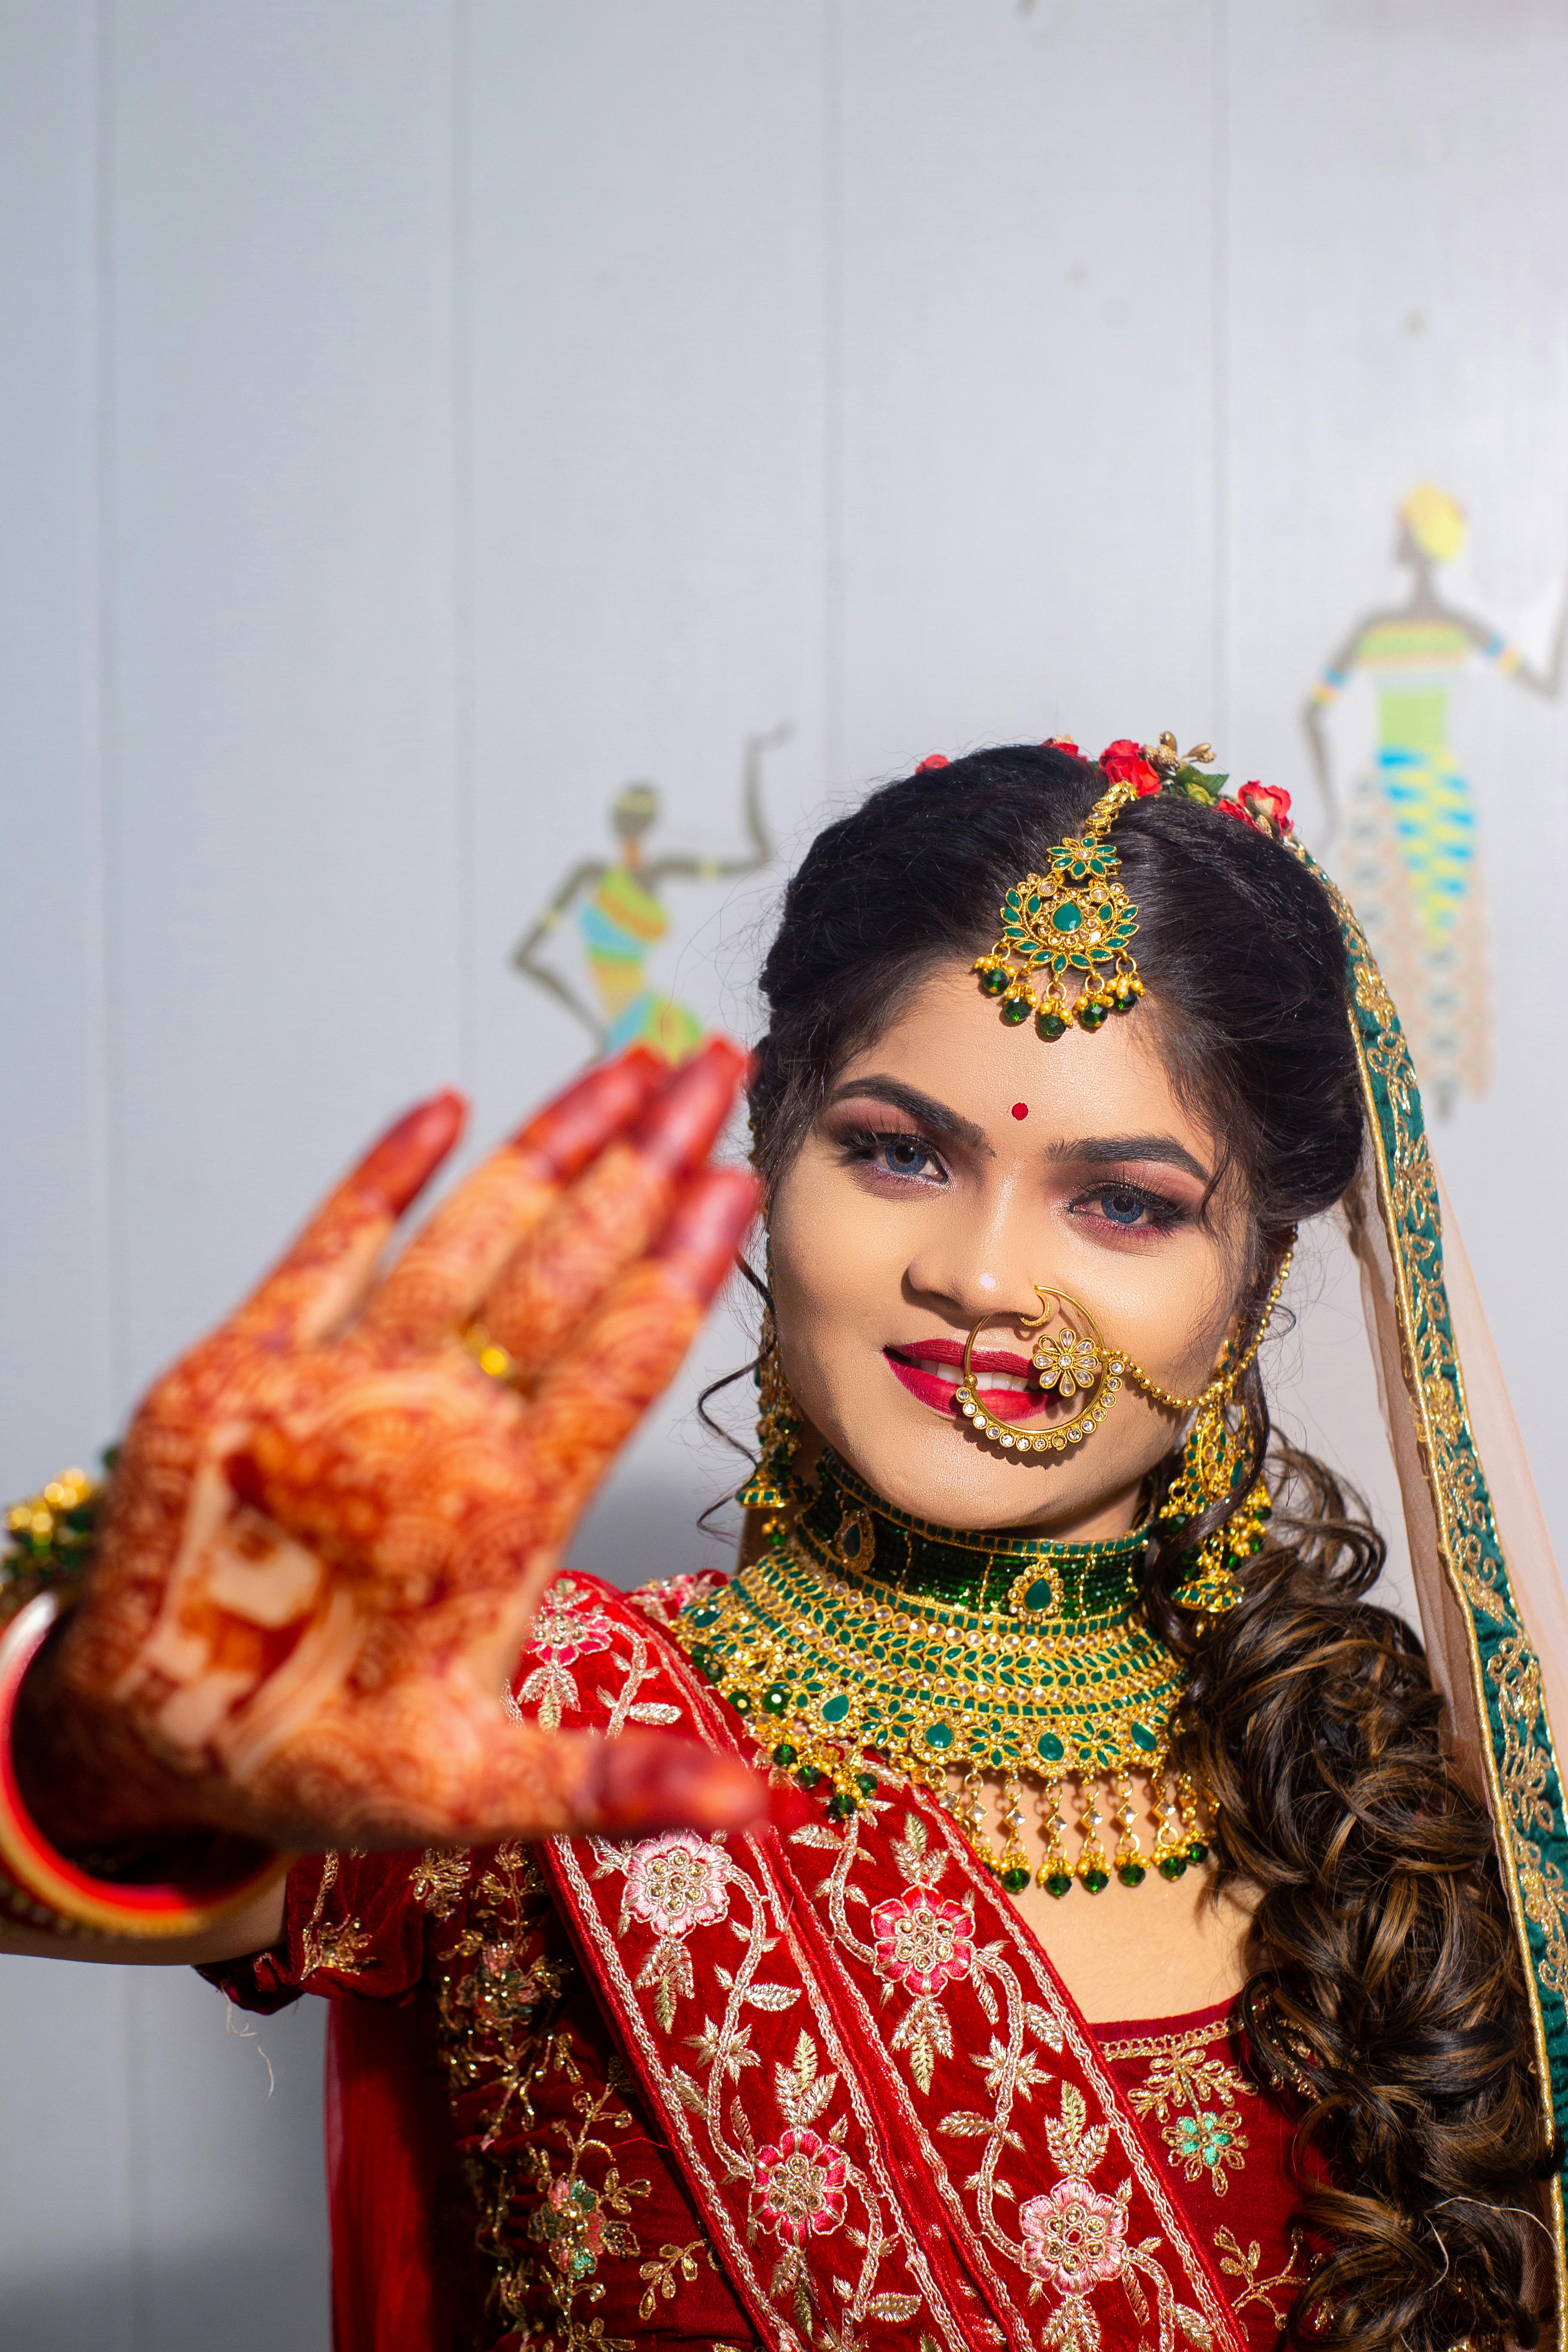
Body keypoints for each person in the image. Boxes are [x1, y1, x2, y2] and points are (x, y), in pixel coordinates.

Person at [1, 736, 1563, 2352]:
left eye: (1123, 1204)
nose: (981, 1273)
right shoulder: (532, 1732)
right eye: (899, 1152)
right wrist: (99, 1738)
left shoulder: (1405, 1820)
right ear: (771, 1153)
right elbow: (59, 1845)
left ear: (1256, 1273)